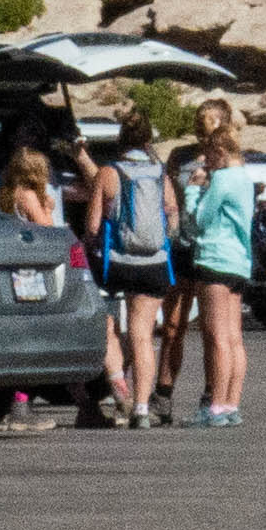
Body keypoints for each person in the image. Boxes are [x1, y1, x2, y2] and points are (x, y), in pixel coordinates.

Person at [91, 114, 177, 425]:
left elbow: (92, 225)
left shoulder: (108, 173)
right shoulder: (159, 173)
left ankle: (120, 392)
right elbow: (172, 213)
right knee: (142, 335)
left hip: (116, 263)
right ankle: (142, 408)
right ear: (146, 141)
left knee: (109, 329)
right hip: (153, 263)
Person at [179, 102, 260, 425]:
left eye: (210, 156)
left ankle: (216, 404)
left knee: (216, 336)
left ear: (222, 153)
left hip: (215, 258)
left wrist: (194, 191)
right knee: (234, 336)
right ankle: (231, 404)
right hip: (239, 260)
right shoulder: (245, 179)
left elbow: (201, 220)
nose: (207, 162)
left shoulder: (224, 179)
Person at [0, 140, 74, 426]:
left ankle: (6, 403)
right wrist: (48, 209)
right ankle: (21, 404)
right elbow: (47, 231)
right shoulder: (29, 197)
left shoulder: (1, 194)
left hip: (9, 270)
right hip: (30, 273)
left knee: (13, 336)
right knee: (31, 336)